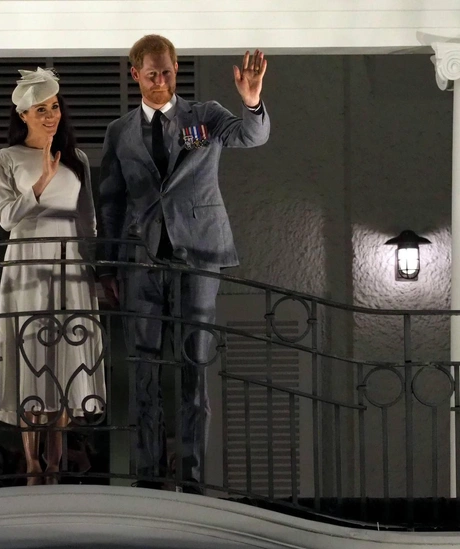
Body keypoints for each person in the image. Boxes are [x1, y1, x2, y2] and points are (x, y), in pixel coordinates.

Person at [98, 35, 270, 492]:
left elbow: (251, 136)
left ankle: (191, 479)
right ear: (135, 74)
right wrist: (106, 267)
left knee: (195, 364)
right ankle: (149, 477)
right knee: (144, 368)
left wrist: (252, 102)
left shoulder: (205, 115)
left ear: (176, 69)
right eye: (151, 74)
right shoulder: (119, 132)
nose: (160, 81)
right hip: (141, 260)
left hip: (199, 255)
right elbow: (111, 202)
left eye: (167, 72)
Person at [0, 67, 106, 485]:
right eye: (41, 109)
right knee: (31, 350)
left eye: (54, 107)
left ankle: (56, 461)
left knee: (66, 352)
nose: (51, 115)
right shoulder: (3, 159)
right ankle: (31, 462)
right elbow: (6, 218)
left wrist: (95, 269)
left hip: (69, 261)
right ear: (23, 115)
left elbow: (87, 219)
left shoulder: (78, 158)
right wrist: (39, 184)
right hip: (27, 261)